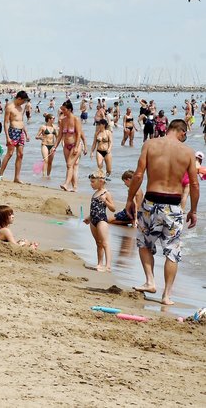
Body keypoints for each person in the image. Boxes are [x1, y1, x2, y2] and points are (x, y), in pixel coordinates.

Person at [125, 119, 198, 305]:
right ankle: (167, 295)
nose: (185, 138)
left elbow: (139, 175)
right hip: (174, 206)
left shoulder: (150, 144)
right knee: (172, 251)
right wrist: (193, 210)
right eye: (185, 134)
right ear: (181, 131)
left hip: (151, 202)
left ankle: (150, 281)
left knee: (144, 243)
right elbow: (195, 184)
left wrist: (129, 199)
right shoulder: (188, 152)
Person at [83, 171, 116, 272]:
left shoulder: (106, 193)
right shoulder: (94, 193)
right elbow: (94, 208)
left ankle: (108, 266)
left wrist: (105, 201)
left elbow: (113, 208)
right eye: (91, 182)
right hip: (93, 220)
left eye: (93, 182)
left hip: (102, 220)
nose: (91, 184)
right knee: (98, 243)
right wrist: (89, 217)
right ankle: (99, 263)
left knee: (105, 243)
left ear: (101, 182)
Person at [55, 100, 85, 192]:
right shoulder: (62, 121)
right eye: (62, 110)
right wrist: (54, 146)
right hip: (66, 146)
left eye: (64, 110)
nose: (62, 111)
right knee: (70, 166)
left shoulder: (76, 119)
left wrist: (76, 147)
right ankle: (74, 187)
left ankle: (66, 184)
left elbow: (79, 134)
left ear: (69, 109)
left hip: (75, 145)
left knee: (69, 165)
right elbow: (60, 135)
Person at [0, 90, 29, 183]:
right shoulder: (9, 107)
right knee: (10, 153)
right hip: (13, 131)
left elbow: (21, 121)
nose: (24, 102)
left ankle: (16, 178)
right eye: (23, 100)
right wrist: (7, 137)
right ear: (19, 98)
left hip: (21, 132)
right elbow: (6, 122)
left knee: (20, 155)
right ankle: (0, 175)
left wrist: (26, 133)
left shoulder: (21, 108)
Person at [35, 114, 58, 178]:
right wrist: (40, 137)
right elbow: (36, 136)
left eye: (54, 118)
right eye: (53, 119)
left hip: (52, 146)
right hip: (44, 145)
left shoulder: (55, 127)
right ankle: (44, 175)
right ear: (48, 119)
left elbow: (57, 137)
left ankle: (48, 175)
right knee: (46, 160)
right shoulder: (43, 127)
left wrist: (55, 146)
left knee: (50, 162)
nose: (54, 120)